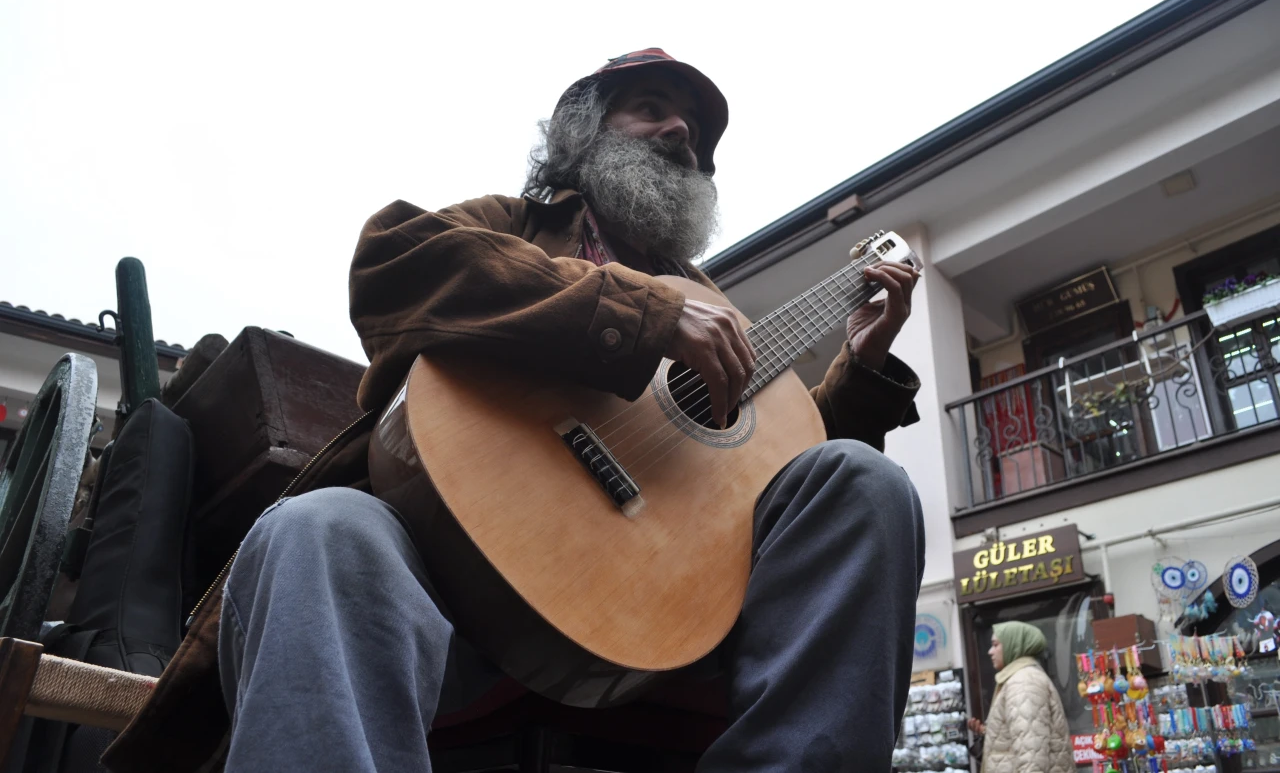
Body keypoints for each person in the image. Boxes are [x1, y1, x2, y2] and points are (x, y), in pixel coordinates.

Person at [101, 49, 926, 773]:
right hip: (445, 601)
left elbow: (794, 497)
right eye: (653, 109)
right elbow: (392, 266)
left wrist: (859, 368)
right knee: (316, 528)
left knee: (868, 486)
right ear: (587, 130)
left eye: (698, 136)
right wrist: (648, 317)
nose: (682, 133)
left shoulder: (723, 314)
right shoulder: (515, 229)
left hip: (657, 628)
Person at [967, 621, 1074, 773]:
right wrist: (990, 733)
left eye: (996, 645)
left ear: (1014, 645)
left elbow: (1032, 755)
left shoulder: (1024, 682)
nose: (990, 651)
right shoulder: (1020, 678)